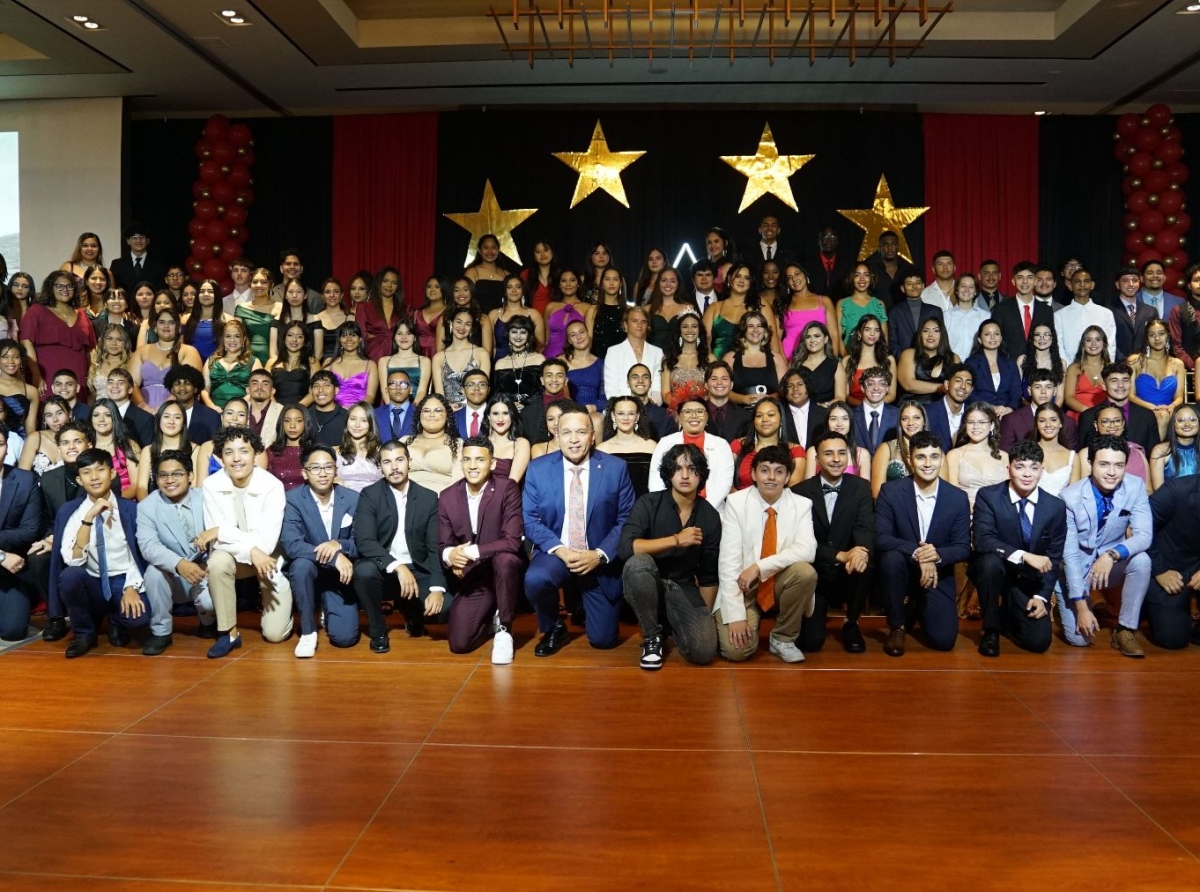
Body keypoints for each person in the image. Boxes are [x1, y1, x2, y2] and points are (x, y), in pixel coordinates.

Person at [522, 401, 635, 655]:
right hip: (558, 553)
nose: (574, 440)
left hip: (598, 557)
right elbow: (529, 519)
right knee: (536, 579)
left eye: (581, 432)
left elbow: (627, 519)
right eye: (567, 433)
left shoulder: (615, 469)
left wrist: (599, 555)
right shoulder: (538, 469)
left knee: (603, 641)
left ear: (592, 436)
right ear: (557, 435)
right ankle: (554, 627)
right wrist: (560, 550)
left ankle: (584, 600)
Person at [619, 443, 721, 669]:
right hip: (646, 579)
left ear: (701, 474)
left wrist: (702, 616)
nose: (685, 475)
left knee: (704, 652)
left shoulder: (709, 516)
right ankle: (652, 636)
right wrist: (676, 540)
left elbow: (709, 574)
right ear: (668, 473)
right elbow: (626, 547)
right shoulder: (649, 503)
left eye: (692, 469)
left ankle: (667, 620)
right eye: (677, 469)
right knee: (639, 564)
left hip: (682, 586)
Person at [53, 447, 161, 658]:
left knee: (139, 618)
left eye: (100, 470)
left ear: (112, 474)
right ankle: (84, 633)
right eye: (86, 472)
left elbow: (139, 554)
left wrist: (131, 587)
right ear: (79, 479)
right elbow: (73, 560)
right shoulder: (71, 512)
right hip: (92, 581)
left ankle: (117, 619)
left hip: (122, 579)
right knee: (69, 577)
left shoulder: (130, 509)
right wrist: (88, 519)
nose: (94, 477)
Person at [715, 444, 818, 662]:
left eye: (779, 471)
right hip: (743, 586)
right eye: (764, 470)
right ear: (753, 474)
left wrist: (759, 567)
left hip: (779, 582)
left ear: (788, 476)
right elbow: (728, 562)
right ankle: (749, 616)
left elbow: (807, 550)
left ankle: (783, 637)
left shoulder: (802, 505)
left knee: (805, 572)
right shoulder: (735, 502)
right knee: (737, 652)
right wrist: (736, 616)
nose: (771, 477)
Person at [201, 425, 294, 658]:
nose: (236, 458)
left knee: (275, 635)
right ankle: (229, 633)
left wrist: (221, 530)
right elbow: (218, 544)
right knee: (218, 561)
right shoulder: (211, 485)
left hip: (268, 560)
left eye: (244, 451)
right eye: (229, 452)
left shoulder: (272, 486)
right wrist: (249, 548)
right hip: (235, 557)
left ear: (256, 454)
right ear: (220, 458)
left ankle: (281, 601)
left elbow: (267, 544)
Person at [875, 431, 972, 655]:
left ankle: (918, 605)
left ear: (942, 459)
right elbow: (881, 538)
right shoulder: (891, 492)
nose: (928, 464)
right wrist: (919, 553)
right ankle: (897, 626)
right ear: (910, 460)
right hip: (902, 570)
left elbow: (962, 547)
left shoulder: (957, 498)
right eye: (921, 457)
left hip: (938, 574)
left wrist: (935, 556)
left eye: (934, 457)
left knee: (944, 641)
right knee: (890, 559)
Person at [969, 440, 1067, 657]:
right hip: (993, 571)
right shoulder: (989, 496)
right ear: (1009, 469)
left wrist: (1042, 597)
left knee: (1039, 642)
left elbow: (1053, 556)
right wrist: (1024, 556)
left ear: (1042, 471)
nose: (1027, 474)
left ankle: (1007, 615)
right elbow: (983, 540)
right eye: (1020, 466)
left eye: (1034, 467)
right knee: (990, 563)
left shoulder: (1055, 507)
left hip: (1027, 579)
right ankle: (991, 629)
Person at [1059, 434, 1152, 657]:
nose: (1112, 472)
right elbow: (1070, 556)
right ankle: (1076, 600)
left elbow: (1144, 536)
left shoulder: (1135, 486)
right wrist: (1081, 607)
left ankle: (1125, 629)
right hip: (1076, 569)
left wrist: (1112, 554)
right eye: (1104, 464)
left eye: (1119, 465)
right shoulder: (1069, 497)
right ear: (1090, 463)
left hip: (1109, 565)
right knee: (1080, 640)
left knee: (1142, 560)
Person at [353, 440, 447, 651]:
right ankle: (378, 631)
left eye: (399, 460)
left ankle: (412, 614)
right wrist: (397, 566)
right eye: (387, 462)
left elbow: (434, 547)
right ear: (380, 467)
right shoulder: (370, 495)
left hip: (417, 569)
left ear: (409, 462)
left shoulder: (428, 498)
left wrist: (437, 589)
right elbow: (365, 541)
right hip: (384, 570)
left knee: (445, 609)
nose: (394, 467)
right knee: (364, 571)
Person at [438, 436, 524, 661]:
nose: (473, 466)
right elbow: (443, 545)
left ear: (493, 463)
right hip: (474, 576)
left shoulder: (507, 488)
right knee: (459, 644)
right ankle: (489, 615)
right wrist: (452, 556)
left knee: (505, 560)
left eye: (479, 460)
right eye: (467, 460)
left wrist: (469, 552)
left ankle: (505, 629)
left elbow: (513, 541)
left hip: (504, 569)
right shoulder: (448, 496)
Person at [795, 431, 875, 654]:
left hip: (847, 572)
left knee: (866, 565)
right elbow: (801, 542)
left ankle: (852, 623)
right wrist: (839, 555)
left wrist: (860, 552)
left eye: (842, 453)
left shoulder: (860, 487)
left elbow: (865, 528)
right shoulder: (800, 492)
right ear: (817, 459)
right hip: (816, 571)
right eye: (828, 454)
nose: (836, 459)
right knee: (811, 643)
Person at [280, 444, 361, 657]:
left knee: (345, 639)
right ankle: (308, 631)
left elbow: (361, 541)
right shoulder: (293, 499)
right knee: (300, 565)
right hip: (309, 570)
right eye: (315, 468)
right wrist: (334, 555)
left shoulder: (352, 498)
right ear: (304, 473)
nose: (323, 473)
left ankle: (327, 606)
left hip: (339, 578)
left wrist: (340, 545)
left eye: (328, 467)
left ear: (336, 470)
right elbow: (292, 544)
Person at [136, 449, 217, 644]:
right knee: (154, 572)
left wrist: (211, 563)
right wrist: (179, 564)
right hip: (172, 573)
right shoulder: (147, 506)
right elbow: (149, 546)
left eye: (177, 474)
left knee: (212, 595)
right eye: (163, 475)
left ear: (190, 476)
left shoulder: (207, 498)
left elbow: (221, 534)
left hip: (206, 569)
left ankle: (208, 622)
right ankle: (161, 632)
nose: (169, 480)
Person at [648, 396, 735, 511]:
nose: (694, 416)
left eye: (700, 411)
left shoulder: (721, 445)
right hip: (671, 510)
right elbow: (656, 481)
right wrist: (670, 509)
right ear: (679, 417)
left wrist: (703, 510)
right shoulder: (665, 443)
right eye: (687, 411)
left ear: (707, 417)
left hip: (712, 509)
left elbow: (724, 484)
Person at [1145, 473, 1200, 649]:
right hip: (1170, 568)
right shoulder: (1176, 490)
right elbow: (1141, 528)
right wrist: (1159, 569)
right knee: (1173, 638)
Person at [21, 271, 97, 398]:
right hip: (47, 374)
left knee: (78, 412)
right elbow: (26, 343)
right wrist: (36, 375)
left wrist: (91, 377)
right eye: (59, 286)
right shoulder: (36, 311)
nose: (65, 290)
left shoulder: (82, 314)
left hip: (79, 376)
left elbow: (91, 349)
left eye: (69, 286)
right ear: (51, 287)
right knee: (52, 411)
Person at [0, 425, 41, 642]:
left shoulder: (25, 480)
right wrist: (1, 556)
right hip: (6, 559)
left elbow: (29, 530)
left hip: (10, 571)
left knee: (13, 631)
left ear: (7, 448)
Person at [1077, 361, 1160, 455]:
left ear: (1131, 383)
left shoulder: (1147, 416)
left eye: (1125, 380)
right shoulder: (1088, 416)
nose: (1120, 385)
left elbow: (1153, 455)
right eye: (1114, 380)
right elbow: (1083, 454)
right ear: (1104, 385)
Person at [1129, 318, 1186, 440]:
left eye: (1161, 334)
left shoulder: (1177, 364)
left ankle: (1154, 454)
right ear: (1146, 338)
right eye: (1152, 335)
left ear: (1168, 336)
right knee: (1161, 415)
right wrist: (1152, 407)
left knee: (1164, 415)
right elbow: (1131, 395)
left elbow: (1179, 397)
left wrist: (1171, 407)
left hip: (1168, 410)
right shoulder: (1136, 361)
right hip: (1142, 409)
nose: (1157, 339)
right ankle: (1155, 455)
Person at [731, 397, 806, 489]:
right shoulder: (738, 445)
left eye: (770, 415)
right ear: (754, 421)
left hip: (781, 503)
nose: (764, 419)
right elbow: (727, 485)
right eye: (759, 416)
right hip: (739, 501)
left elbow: (793, 490)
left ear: (781, 420)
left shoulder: (795, 451)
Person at [775, 263, 842, 362]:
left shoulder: (824, 301)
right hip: (790, 358)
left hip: (820, 357)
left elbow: (834, 335)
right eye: (790, 277)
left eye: (797, 274)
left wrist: (832, 363)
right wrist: (782, 362)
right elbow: (776, 337)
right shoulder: (783, 304)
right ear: (787, 283)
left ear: (805, 275)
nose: (794, 279)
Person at [1072, 402, 1150, 486]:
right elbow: (1084, 490)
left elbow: (1148, 489)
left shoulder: (1137, 452)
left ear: (1123, 423)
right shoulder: (1085, 454)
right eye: (1105, 421)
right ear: (1096, 425)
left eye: (1117, 421)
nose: (1112, 425)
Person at [596, 395, 656, 497]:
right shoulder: (602, 450)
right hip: (613, 506)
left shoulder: (651, 446)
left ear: (637, 416)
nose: (626, 418)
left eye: (631, 413)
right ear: (613, 416)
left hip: (646, 506)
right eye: (620, 413)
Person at [135, 400, 195, 500]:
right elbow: (142, 488)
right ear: (159, 421)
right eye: (166, 416)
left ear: (184, 422)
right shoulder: (148, 451)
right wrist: (149, 510)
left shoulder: (195, 450)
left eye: (177, 417)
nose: (171, 421)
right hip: (154, 508)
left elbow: (195, 486)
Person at [1056, 266, 1117, 365]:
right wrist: (1066, 370)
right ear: (1070, 286)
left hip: (1100, 369)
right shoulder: (1059, 315)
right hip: (1069, 369)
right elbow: (1059, 347)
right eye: (1077, 282)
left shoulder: (1105, 313)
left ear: (1092, 285)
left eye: (1086, 281)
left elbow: (1110, 345)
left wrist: (1107, 368)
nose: (1082, 285)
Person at [725, 311, 787, 409]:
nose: (755, 330)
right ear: (743, 330)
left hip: (771, 411)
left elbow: (785, 390)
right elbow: (723, 391)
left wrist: (769, 398)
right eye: (750, 326)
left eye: (759, 326)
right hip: (740, 413)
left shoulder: (777, 358)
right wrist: (744, 399)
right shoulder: (730, 358)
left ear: (765, 330)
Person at [433, 308, 491, 411]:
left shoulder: (481, 354)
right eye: (458, 322)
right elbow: (439, 394)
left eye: (467, 324)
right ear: (451, 323)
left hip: (474, 411)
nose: (462, 327)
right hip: (447, 413)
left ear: (472, 329)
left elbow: (482, 389)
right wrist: (448, 409)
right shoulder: (439, 357)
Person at [604, 306, 664, 405]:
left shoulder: (657, 352)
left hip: (651, 408)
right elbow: (612, 390)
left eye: (644, 321)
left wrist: (649, 405)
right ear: (625, 325)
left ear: (648, 326)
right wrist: (628, 407)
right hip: (622, 409)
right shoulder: (613, 352)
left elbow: (657, 388)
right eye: (634, 321)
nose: (639, 325)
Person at [992, 262, 1052, 361]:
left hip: (1039, 366)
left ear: (1036, 281)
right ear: (1013, 281)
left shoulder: (1046, 310)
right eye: (1020, 277)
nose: (1025, 282)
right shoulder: (1001, 309)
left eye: (1029, 277)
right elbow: (995, 340)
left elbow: (1051, 340)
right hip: (1009, 366)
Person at [870, 399, 927, 498]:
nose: (911, 423)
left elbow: (943, 491)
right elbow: (877, 493)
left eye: (916, 418)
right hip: (893, 508)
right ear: (900, 422)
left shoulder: (936, 450)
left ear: (924, 421)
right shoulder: (886, 449)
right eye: (905, 418)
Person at [201, 317, 260, 410]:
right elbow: (205, 390)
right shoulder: (211, 361)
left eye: (237, 336)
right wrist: (212, 407)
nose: (232, 340)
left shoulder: (254, 362)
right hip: (214, 410)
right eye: (228, 336)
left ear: (243, 339)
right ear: (223, 339)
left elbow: (256, 390)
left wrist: (235, 407)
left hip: (242, 410)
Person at [964, 320, 1021, 416]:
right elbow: (969, 392)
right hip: (980, 412)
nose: (993, 337)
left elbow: (1016, 391)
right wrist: (990, 408)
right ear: (979, 339)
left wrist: (1010, 408)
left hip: (1006, 414)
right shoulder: (971, 363)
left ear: (1001, 337)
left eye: (996, 334)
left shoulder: (1010, 364)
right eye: (987, 334)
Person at [897, 316, 958, 404]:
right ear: (920, 335)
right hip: (912, 407)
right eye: (925, 331)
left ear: (943, 335)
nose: (930, 335)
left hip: (941, 408)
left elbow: (957, 385)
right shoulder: (909, 354)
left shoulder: (953, 358)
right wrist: (941, 387)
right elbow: (908, 385)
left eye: (936, 331)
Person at [490, 315, 544, 413]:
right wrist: (510, 405)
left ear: (529, 335)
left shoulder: (539, 359)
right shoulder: (500, 364)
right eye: (514, 332)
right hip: (508, 414)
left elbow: (542, 392)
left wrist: (525, 405)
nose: (518, 336)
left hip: (534, 412)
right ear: (508, 334)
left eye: (523, 332)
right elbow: (499, 395)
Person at [89, 398, 141, 500]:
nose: (101, 419)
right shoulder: (87, 447)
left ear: (115, 418)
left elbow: (136, 486)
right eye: (96, 415)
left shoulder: (129, 445)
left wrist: (111, 501)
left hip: (125, 503)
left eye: (107, 415)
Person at [890, 267, 945, 360]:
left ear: (923, 286)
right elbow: (892, 343)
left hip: (931, 362)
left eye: (917, 283)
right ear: (902, 288)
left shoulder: (935, 311)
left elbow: (941, 339)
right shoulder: (895, 312)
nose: (914, 286)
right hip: (904, 363)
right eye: (909, 284)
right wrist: (907, 359)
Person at [842, 314, 896, 406]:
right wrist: (865, 407)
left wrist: (875, 406)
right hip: (856, 410)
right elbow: (846, 396)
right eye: (867, 329)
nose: (872, 333)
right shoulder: (847, 361)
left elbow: (892, 395)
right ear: (859, 333)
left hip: (882, 410)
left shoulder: (888, 360)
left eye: (877, 330)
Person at [269, 277, 323, 367]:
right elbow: (273, 353)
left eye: (299, 292)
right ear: (285, 295)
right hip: (282, 369)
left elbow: (318, 353)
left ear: (305, 295)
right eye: (290, 292)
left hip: (308, 368)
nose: (294, 295)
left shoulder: (315, 320)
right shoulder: (277, 320)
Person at [791, 321, 847, 406]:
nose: (812, 340)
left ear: (826, 339)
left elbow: (840, 398)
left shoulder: (835, 365)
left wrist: (824, 406)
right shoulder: (795, 364)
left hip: (826, 412)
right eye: (808, 337)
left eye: (817, 336)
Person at [378, 317, 431, 405]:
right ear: (394, 337)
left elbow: (421, 391)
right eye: (399, 333)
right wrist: (394, 410)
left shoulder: (424, 361)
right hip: (391, 410)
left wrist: (412, 411)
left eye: (408, 333)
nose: (404, 337)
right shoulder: (384, 361)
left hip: (415, 409)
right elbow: (385, 391)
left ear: (414, 338)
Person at [266, 320, 318, 408]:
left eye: (300, 336)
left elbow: (316, 390)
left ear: (305, 341)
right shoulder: (272, 362)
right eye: (290, 335)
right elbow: (265, 388)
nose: (294, 340)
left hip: (303, 411)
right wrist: (276, 408)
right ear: (283, 338)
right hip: (274, 410)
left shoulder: (312, 362)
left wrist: (297, 409)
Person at [1110, 265, 1159, 360]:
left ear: (1139, 283)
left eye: (1135, 280)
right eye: (1125, 281)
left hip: (1145, 364)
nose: (1131, 284)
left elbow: (1155, 339)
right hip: (1117, 366)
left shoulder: (1150, 311)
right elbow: (1107, 340)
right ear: (1117, 284)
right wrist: (1125, 362)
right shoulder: (1109, 310)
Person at [480, 395, 531, 485]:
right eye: (495, 413)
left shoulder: (521, 444)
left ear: (512, 415)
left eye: (505, 413)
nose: (500, 419)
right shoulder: (480, 443)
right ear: (488, 416)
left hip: (507, 496)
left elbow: (511, 484)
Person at [543, 269, 594, 360]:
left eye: (572, 280)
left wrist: (581, 361)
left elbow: (589, 340)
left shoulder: (588, 308)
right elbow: (546, 339)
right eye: (563, 281)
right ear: (559, 284)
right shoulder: (550, 307)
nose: (568, 284)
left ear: (578, 283)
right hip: (550, 357)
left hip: (576, 359)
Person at [1029, 402, 1077, 497]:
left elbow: (1074, 497)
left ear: (1061, 423)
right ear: (1036, 425)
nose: (1048, 425)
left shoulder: (1073, 457)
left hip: (1062, 510)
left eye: (1053, 420)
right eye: (1042, 421)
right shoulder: (1027, 452)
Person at [355, 266, 402, 361]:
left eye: (394, 283)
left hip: (398, 360)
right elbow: (360, 336)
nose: (389, 286)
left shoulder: (405, 310)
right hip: (371, 357)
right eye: (385, 281)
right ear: (378, 282)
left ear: (398, 287)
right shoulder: (364, 308)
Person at [234, 268, 280, 366]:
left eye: (264, 282)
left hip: (274, 359)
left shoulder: (280, 307)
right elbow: (236, 337)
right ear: (250, 285)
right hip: (247, 360)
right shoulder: (241, 308)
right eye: (255, 282)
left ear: (271, 285)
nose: (259, 285)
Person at [1149, 403, 1199, 491]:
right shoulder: (1160, 451)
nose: (1187, 424)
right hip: (1171, 503)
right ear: (1173, 425)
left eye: (1192, 419)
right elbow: (1159, 492)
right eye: (1180, 420)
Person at [850, 366, 899, 456]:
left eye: (882, 384)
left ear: (887, 388)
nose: (876, 388)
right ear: (862, 388)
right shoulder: (850, 415)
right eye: (871, 383)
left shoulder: (898, 415)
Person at [926, 363, 975, 453]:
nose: (963, 386)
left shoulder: (974, 415)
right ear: (947, 384)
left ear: (971, 390)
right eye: (958, 381)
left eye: (968, 383)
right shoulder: (928, 413)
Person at [109, 223, 168, 297]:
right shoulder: (117, 264)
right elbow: (113, 290)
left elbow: (161, 290)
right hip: (125, 306)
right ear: (128, 241)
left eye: (142, 237)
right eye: (134, 237)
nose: (138, 241)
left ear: (148, 241)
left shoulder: (159, 264)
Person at [336, 402, 384, 493]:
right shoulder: (336, 452)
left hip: (374, 502)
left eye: (364, 420)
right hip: (345, 502)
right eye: (353, 419)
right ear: (347, 422)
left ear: (371, 424)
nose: (357, 425)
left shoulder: (381, 452)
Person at [836, 263, 889, 343]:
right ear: (851, 278)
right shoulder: (842, 304)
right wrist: (847, 355)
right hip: (848, 354)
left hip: (875, 354)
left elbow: (884, 338)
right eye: (857, 275)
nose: (862, 279)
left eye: (866, 275)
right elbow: (837, 338)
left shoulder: (879, 304)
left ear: (871, 278)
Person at [943, 274, 991, 361]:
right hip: (952, 365)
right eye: (963, 286)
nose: (966, 290)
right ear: (957, 290)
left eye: (971, 287)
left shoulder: (986, 316)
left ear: (976, 291)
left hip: (979, 364)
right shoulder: (946, 316)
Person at [779, 367, 829, 450]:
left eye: (800, 384)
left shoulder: (824, 414)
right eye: (790, 386)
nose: (795, 389)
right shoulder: (779, 415)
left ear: (808, 386)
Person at [266, 404, 313, 492]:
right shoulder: (271, 452)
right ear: (281, 423)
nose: (292, 425)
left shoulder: (315, 452)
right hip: (279, 502)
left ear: (306, 423)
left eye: (298, 421)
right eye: (287, 421)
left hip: (308, 503)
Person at [703, 360, 751, 443]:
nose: (719, 383)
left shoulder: (745, 416)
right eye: (714, 379)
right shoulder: (697, 413)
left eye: (724, 379)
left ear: (731, 385)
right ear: (706, 385)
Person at [0, 338, 39, 437]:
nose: (11, 361)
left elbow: (31, 430)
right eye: (5, 357)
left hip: (20, 443)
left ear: (21, 360)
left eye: (16, 357)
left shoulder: (31, 391)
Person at [587, 267, 627, 359]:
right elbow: (589, 341)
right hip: (598, 360)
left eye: (615, 279)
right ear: (602, 284)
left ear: (620, 284)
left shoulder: (628, 310)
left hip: (622, 360)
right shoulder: (593, 310)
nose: (611, 283)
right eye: (607, 279)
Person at [464, 234, 510, 313]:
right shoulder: (472, 272)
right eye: (486, 247)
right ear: (479, 250)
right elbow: (465, 299)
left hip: (501, 320)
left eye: (493, 247)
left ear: (498, 250)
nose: (490, 251)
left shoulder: (506, 274)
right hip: (478, 319)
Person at [309, 370, 349, 448]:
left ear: (336, 390)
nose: (320, 390)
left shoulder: (347, 417)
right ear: (311, 391)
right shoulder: (304, 415)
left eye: (326, 385)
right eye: (316, 386)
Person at [376, 368, 417, 442]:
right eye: (393, 384)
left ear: (411, 389)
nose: (398, 388)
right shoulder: (375, 414)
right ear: (386, 390)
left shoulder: (419, 413)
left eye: (403, 384)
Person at [864, 230, 901, 307]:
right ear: (880, 248)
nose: (890, 248)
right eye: (885, 244)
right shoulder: (870, 269)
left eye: (893, 244)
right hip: (876, 316)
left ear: (898, 247)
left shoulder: (907, 269)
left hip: (901, 316)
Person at [453, 368, 491, 438]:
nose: (476, 388)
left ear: (488, 390)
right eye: (471, 385)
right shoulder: (453, 418)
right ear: (463, 390)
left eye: (482, 385)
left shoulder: (496, 416)